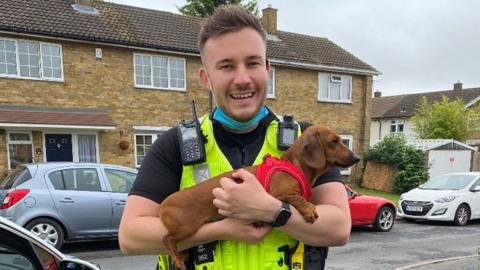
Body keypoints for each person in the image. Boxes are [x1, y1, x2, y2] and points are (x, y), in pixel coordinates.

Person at [119, 5, 351, 270]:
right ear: (206, 78)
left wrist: (271, 211)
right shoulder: (175, 145)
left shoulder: (306, 141)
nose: (242, 79)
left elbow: (339, 227)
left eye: (252, 63)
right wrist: (223, 229)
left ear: (267, 70)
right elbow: (130, 236)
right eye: (227, 66)